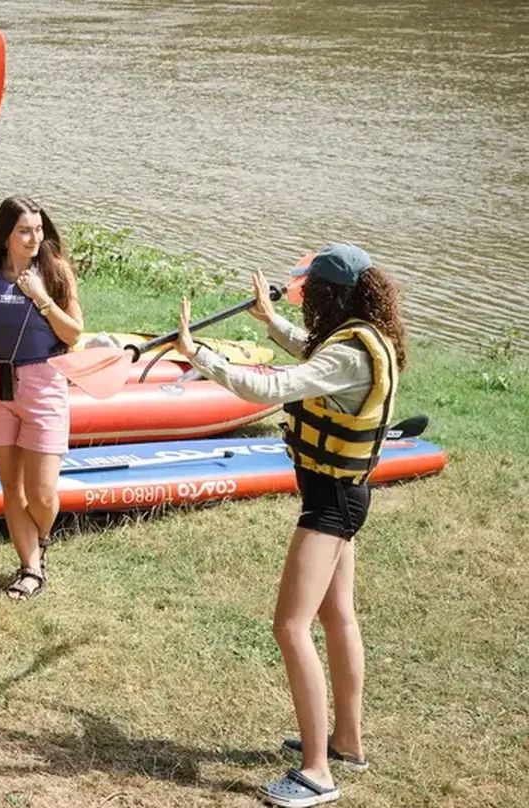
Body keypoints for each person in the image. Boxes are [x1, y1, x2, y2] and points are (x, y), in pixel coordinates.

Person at [174, 243, 407, 807]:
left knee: (290, 625)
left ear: (330, 296)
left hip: (330, 505)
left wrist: (198, 354)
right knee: (337, 616)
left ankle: (317, 772)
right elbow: (314, 354)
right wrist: (270, 320)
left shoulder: (347, 353)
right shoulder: (363, 340)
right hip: (344, 497)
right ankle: (347, 742)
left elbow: (274, 387)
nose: (306, 302)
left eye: (312, 293)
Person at [0, 197, 84, 600]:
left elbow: (73, 333)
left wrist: (41, 297)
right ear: (6, 235)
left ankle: (40, 542)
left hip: (44, 383)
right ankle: (30, 568)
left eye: (38, 229)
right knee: (12, 488)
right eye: (24, 231)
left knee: (42, 493)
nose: (34, 238)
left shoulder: (56, 270)